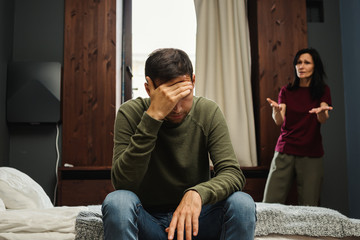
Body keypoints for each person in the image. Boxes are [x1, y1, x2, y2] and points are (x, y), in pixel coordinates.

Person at [102, 48, 256, 240]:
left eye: (183, 95)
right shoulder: (130, 113)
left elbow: (233, 174)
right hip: (149, 221)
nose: (177, 107)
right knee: (118, 201)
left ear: (193, 80)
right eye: (167, 97)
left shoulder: (208, 111)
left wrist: (197, 193)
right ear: (149, 89)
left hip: (197, 223)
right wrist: (153, 117)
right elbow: (123, 183)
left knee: (242, 203)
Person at [262, 48, 333, 206]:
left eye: (306, 63)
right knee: (270, 203)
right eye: (298, 63)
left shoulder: (322, 91)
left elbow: (323, 118)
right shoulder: (286, 91)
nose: (301, 66)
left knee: (309, 206)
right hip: (285, 150)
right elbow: (279, 120)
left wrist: (322, 111)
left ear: (315, 67)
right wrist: (276, 111)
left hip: (311, 153)